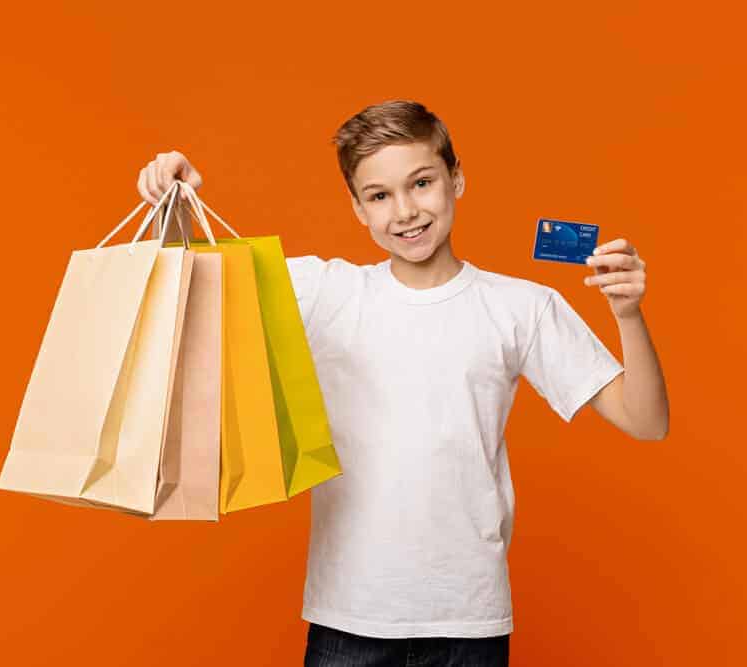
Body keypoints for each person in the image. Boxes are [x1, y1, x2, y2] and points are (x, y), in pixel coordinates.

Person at [137, 100, 669, 667]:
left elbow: (646, 420)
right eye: (380, 195)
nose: (406, 211)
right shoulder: (327, 293)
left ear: (456, 179)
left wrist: (629, 315)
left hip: (469, 619)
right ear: (357, 208)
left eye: (421, 183)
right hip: (349, 616)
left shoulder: (522, 307)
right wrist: (177, 200)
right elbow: (188, 288)